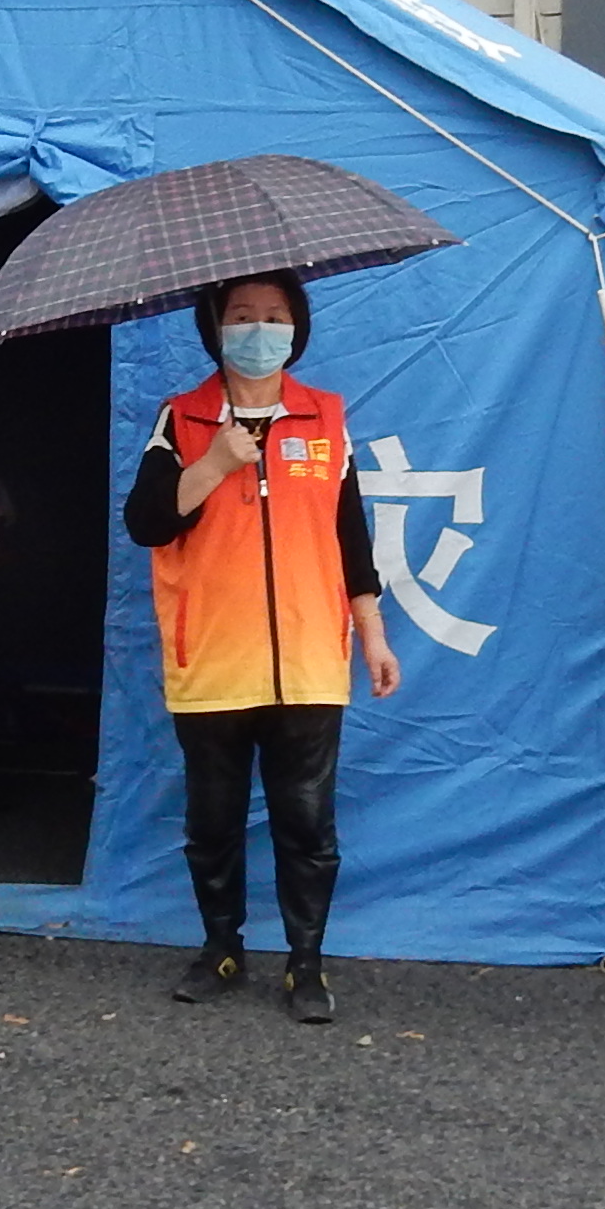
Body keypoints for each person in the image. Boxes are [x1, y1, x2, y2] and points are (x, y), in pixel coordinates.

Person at [122, 272, 401, 1023]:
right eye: (242, 315)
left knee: (307, 824)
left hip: (309, 660)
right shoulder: (182, 418)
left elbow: (351, 538)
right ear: (214, 326)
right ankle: (221, 948)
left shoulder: (325, 416)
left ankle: (305, 963)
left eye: (276, 316)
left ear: (297, 328)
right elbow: (146, 522)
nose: (260, 329)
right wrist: (214, 464)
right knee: (212, 822)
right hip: (213, 660)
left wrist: (373, 635)